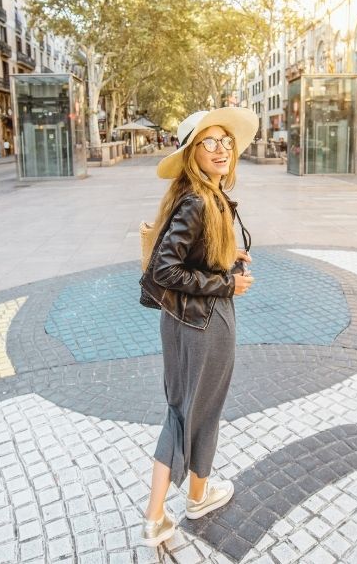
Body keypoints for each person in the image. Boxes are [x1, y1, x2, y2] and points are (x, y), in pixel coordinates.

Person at [138, 107, 257, 547]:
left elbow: (187, 256)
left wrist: (226, 258)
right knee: (194, 412)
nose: (221, 148)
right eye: (209, 142)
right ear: (192, 152)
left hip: (182, 319)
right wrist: (226, 282)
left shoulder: (196, 194)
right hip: (206, 320)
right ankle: (158, 514)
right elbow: (163, 270)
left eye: (225, 139)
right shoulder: (197, 200)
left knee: (188, 409)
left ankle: (196, 496)